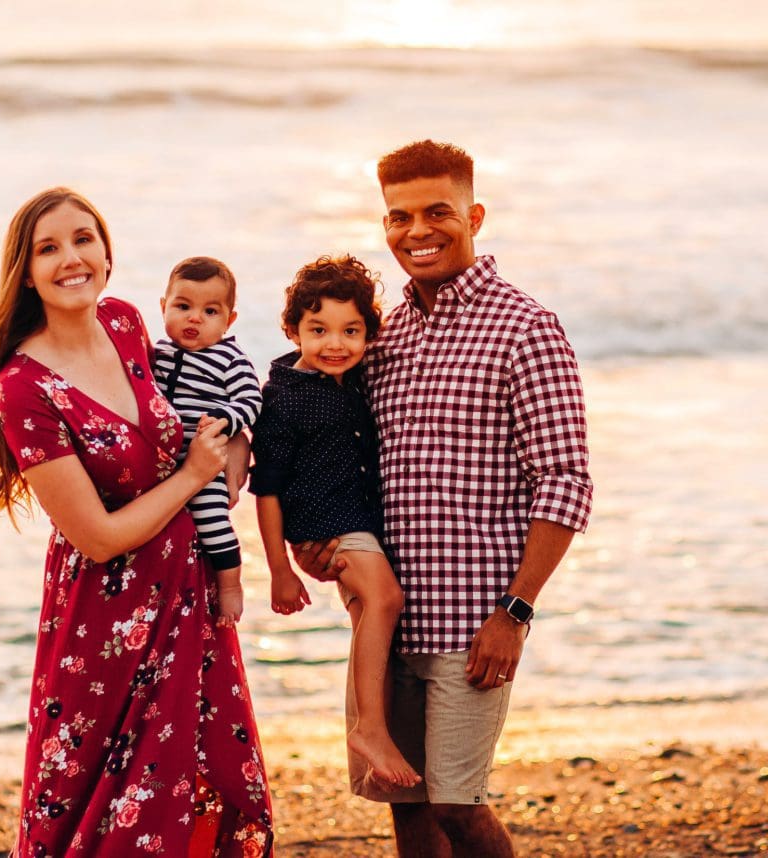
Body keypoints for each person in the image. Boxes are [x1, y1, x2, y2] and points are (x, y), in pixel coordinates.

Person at [293, 141, 594, 857]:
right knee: (406, 804)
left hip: (473, 628)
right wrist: (320, 546)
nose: (416, 231)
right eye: (399, 217)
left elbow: (565, 481)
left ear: (474, 216)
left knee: (459, 805)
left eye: (437, 213)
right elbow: (350, 464)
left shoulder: (526, 328)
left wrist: (515, 613)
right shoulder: (381, 337)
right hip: (388, 621)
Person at [0, 187, 273, 857]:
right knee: (101, 803)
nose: (71, 258)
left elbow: (209, 403)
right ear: (25, 271)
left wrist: (240, 454)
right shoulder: (23, 386)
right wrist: (194, 476)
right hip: (104, 625)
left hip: (187, 594)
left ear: (107, 251)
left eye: (84, 238)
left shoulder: (128, 323)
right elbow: (96, 537)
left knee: (214, 779)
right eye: (49, 248)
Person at [249, 254, 420, 789]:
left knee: (373, 617)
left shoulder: (354, 377)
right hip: (324, 521)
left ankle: (378, 727)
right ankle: (368, 728)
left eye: (351, 331)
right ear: (293, 329)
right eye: (317, 330)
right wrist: (279, 568)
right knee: (386, 600)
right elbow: (267, 488)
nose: (334, 344)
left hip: (359, 516)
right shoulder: (284, 397)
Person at [153, 256, 262, 627]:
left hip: (207, 462)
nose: (194, 318)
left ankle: (230, 584)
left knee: (212, 520)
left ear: (229, 320)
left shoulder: (230, 359)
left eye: (210, 311)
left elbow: (251, 402)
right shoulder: (157, 354)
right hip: (161, 465)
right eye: (183, 307)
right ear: (163, 307)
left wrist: (226, 422)